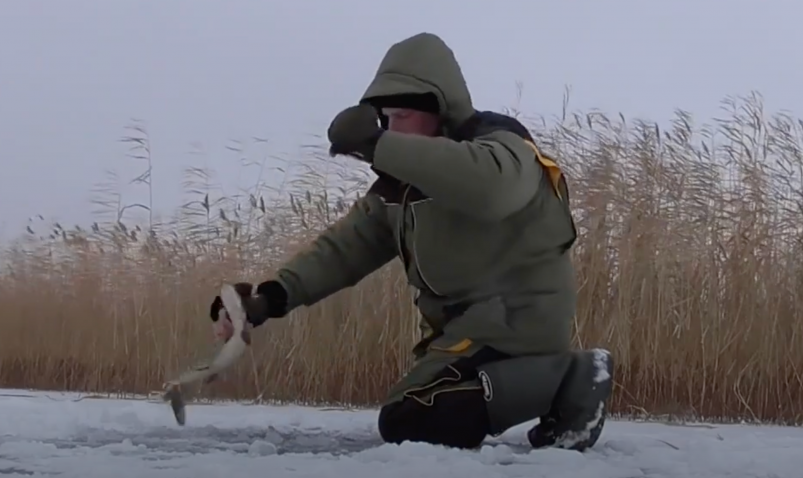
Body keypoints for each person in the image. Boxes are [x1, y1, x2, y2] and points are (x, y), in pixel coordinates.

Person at [209, 32, 614, 452]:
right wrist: (267, 299)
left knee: (412, 419)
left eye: (401, 115)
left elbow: (493, 190)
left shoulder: (501, 147)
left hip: (515, 321)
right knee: (409, 413)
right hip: (469, 332)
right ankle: (555, 394)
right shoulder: (397, 191)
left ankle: (570, 378)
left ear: (440, 110)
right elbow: (342, 251)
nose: (391, 127)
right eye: (385, 119)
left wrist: (377, 145)